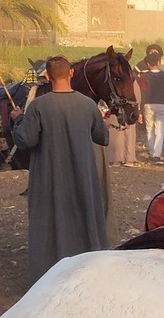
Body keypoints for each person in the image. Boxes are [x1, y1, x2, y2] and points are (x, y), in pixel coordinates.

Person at [12, 55, 112, 285]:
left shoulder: (38, 106)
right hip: (83, 176)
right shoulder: (88, 105)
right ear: (71, 73)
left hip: (50, 177)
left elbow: (25, 140)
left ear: (47, 76)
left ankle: (50, 275)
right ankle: (87, 271)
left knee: (50, 220)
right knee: (84, 216)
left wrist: (18, 119)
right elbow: (103, 137)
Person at [138, 45, 164, 163]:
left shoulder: (143, 77)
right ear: (158, 62)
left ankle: (152, 151)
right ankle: (156, 154)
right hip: (162, 104)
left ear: (147, 64)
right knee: (160, 130)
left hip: (148, 104)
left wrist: (140, 111)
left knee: (149, 129)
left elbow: (143, 93)